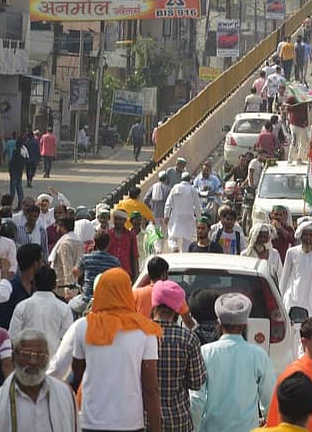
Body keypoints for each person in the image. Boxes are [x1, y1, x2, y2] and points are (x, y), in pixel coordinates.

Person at [69, 267, 163, 432]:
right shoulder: (145, 331)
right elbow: (151, 389)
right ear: (128, 292)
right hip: (130, 422)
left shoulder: (83, 327)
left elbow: (78, 371)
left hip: (91, 421)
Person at [0, 328, 78, 432]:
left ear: (48, 359)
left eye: (40, 356)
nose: (33, 362)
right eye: (26, 355)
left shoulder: (65, 395)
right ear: (13, 357)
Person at [149, 280, 206, 432]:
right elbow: (197, 382)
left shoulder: (141, 335)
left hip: (145, 419)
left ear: (154, 304)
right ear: (176, 309)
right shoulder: (188, 339)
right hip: (178, 421)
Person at [8, 266, 73, 354]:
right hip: (53, 362)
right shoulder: (64, 308)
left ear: (33, 284)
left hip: (26, 362)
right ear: (55, 285)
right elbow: (68, 340)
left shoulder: (22, 306)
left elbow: (13, 337)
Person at [280, 221, 312, 317]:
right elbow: (284, 278)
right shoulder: (292, 252)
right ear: (301, 235)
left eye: (311, 235)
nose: (308, 238)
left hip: (310, 304)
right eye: (306, 234)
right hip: (292, 301)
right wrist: (279, 299)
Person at [165, 172, 201, 252]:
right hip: (188, 217)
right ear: (189, 180)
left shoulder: (175, 188)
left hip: (176, 217)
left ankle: (174, 246)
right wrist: (199, 218)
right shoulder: (192, 190)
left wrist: (166, 215)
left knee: (172, 236)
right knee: (187, 239)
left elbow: (168, 203)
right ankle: (184, 253)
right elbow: (198, 206)